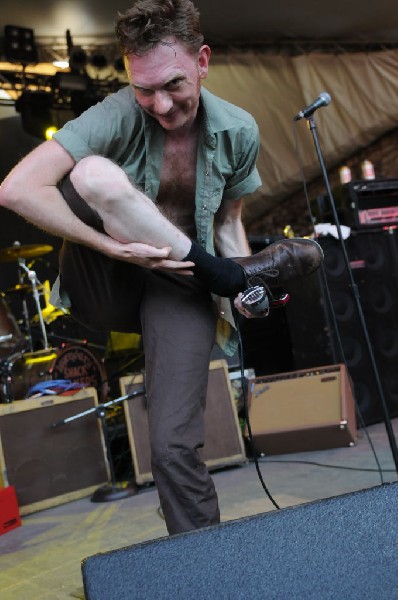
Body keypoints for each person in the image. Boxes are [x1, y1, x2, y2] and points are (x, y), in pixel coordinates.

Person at [0, 0, 323, 535]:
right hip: (104, 274)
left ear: (202, 61)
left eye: (172, 84)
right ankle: (238, 271)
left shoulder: (238, 131)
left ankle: (200, 563)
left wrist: (237, 291)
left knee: (172, 445)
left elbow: (227, 223)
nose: (161, 104)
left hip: (179, 284)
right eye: (143, 88)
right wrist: (107, 247)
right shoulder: (117, 112)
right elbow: (14, 190)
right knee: (94, 175)